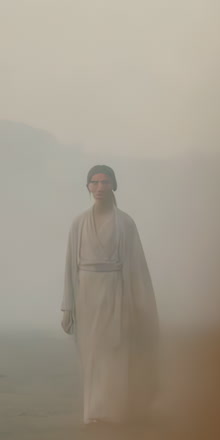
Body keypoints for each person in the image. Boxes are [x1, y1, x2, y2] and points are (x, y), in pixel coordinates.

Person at [61, 164, 159, 426]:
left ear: (114, 185)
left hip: (116, 292)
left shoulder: (125, 222)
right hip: (86, 295)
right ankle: (94, 411)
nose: (100, 187)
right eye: (94, 182)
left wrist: (138, 305)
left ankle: (115, 410)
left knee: (115, 349)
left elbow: (136, 265)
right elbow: (71, 264)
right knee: (91, 352)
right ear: (88, 187)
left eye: (105, 182)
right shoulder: (79, 223)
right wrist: (67, 306)